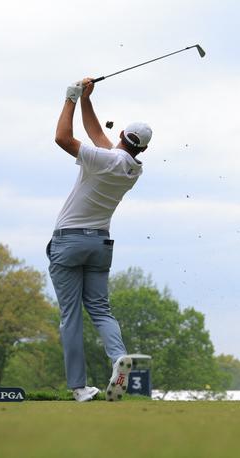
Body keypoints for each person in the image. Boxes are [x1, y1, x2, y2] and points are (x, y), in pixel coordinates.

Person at [48, 77, 152, 402]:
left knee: (71, 315)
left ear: (122, 135)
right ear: (143, 148)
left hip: (69, 242)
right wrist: (87, 101)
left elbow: (62, 138)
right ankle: (118, 358)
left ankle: (79, 388)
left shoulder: (107, 160)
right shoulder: (132, 168)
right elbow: (96, 136)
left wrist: (70, 97)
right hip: (100, 246)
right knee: (100, 310)